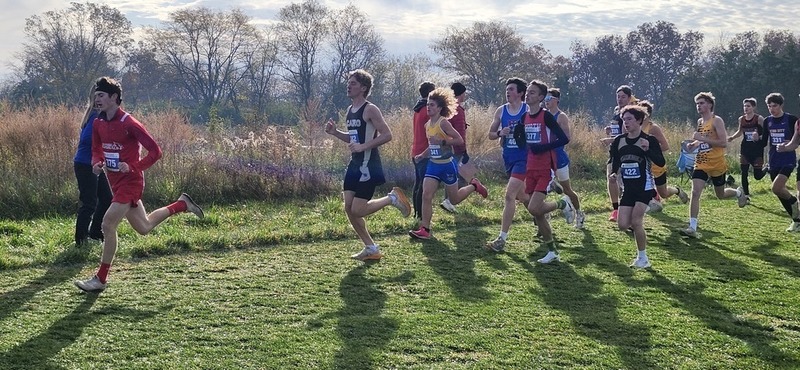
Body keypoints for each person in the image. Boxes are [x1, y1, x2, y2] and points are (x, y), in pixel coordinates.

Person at [74, 77, 205, 293]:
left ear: (114, 97)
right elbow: (97, 149)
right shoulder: (98, 123)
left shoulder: (130, 123)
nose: (96, 99)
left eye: (101, 95)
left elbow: (156, 152)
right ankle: (182, 204)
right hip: (115, 182)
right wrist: (97, 162)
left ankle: (100, 279)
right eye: (95, 95)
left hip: (131, 182)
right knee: (144, 227)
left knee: (107, 224)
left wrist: (133, 166)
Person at [325, 69, 412, 260]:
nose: (348, 86)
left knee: (358, 210)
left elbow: (387, 135)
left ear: (364, 88)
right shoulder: (350, 110)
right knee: (349, 208)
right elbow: (354, 138)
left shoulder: (370, 109)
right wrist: (335, 133)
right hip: (354, 164)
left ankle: (392, 198)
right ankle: (371, 249)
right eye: (348, 82)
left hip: (368, 164)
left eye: (353, 83)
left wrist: (363, 146)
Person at [409, 87, 488, 240]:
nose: (428, 107)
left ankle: (474, 185)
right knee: (426, 195)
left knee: (454, 199)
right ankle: (425, 229)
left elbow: (459, 140)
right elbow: (432, 145)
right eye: (428, 104)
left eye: (432, 105)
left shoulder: (443, 123)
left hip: (447, 165)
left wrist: (443, 141)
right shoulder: (427, 125)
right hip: (433, 165)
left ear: (439, 108)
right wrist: (422, 155)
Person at [680, 92, 746, 238]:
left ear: (710, 104)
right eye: (697, 104)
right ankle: (692, 227)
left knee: (720, 195)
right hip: (701, 162)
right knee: (695, 192)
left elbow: (723, 143)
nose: (698, 106)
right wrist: (693, 144)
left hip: (717, 163)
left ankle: (738, 193)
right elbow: (702, 139)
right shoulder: (700, 122)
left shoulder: (717, 120)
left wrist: (701, 139)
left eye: (701, 103)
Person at [522, 80, 574, 264]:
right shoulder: (524, 116)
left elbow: (563, 139)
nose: (528, 95)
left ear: (541, 97)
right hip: (530, 167)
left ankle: (562, 203)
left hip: (545, 167)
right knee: (537, 213)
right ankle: (552, 251)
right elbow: (523, 139)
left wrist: (543, 147)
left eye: (532, 92)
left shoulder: (546, 116)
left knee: (533, 208)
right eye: (527, 92)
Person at [609, 105, 665, 268]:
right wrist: (614, 173)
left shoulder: (649, 140)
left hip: (644, 187)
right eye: (624, 119)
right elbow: (616, 160)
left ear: (639, 120)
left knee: (636, 221)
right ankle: (650, 206)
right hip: (628, 189)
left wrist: (647, 150)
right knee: (622, 225)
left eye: (629, 119)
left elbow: (661, 162)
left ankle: (643, 258)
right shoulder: (619, 140)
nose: (626, 122)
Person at [484, 78, 530, 252]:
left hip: (524, 158)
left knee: (509, 195)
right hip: (508, 158)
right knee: (523, 196)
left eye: (511, 89)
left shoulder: (527, 109)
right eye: (507, 89)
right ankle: (544, 213)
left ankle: (501, 239)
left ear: (520, 93)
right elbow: (490, 134)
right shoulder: (501, 110)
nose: (508, 92)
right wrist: (500, 132)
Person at [73, 84, 112, 246]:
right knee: (89, 203)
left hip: (94, 164)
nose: (100, 99)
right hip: (85, 164)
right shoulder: (96, 116)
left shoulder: (98, 115)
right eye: (98, 95)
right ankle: (80, 241)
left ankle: (95, 233)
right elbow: (87, 139)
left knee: (107, 198)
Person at [756, 93, 800, 231]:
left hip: (788, 160)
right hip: (773, 160)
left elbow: (797, 140)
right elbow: (764, 142)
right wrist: (757, 139)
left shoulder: (791, 119)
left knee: (776, 187)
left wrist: (789, 143)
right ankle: (796, 220)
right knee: (779, 192)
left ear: (781, 105)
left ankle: (794, 202)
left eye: (774, 106)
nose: (771, 109)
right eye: (769, 106)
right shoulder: (767, 121)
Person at [544, 87, 585, 228]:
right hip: (545, 157)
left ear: (556, 100)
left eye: (549, 98)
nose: (546, 101)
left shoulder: (561, 116)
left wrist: (550, 144)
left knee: (567, 189)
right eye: (545, 98)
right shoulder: (543, 115)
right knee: (542, 189)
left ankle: (579, 212)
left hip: (558, 157)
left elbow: (567, 137)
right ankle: (544, 219)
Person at [637, 100, 689, 209]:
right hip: (643, 165)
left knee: (664, 193)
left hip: (656, 165)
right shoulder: (635, 127)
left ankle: (677, 190)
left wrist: (649, 150)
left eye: (641, 112)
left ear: (647, 114)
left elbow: (665, 146)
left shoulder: (653, 128)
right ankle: (648, 204)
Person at [600, 85, 636, 222]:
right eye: (618, 96)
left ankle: (630, 209)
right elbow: (617, 130)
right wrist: (610, 130)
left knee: (626, 182)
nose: (620, 99)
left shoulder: (631, 113)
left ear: (629, 97)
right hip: (614, 151)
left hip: (627, 151)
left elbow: (628, 134)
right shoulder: (616, 111)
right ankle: (615, 209)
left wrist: (610, 139)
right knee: (611, 178)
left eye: (623, 97)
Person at [440, 82, 476, 213]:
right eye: (464, 94)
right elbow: (460, 132)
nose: (465, 96)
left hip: (445, 147)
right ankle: (450, 200)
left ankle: (447, 201)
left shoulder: (445, 109)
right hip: (456, 148)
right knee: (462, 177)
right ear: (460, 94)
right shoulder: (458, 110)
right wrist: (463, 149)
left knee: (450, 176)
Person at [727, 97, 767, 204]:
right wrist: (732, 137)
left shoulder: (759, 119)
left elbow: (766, 132)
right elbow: (740, 131)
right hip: (745, 148)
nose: (746, 108)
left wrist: (759, 136)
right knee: (744, 172)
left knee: (757, 176)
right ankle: (746, 196)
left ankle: (767, 168)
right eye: (744, 106)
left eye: (748, 106)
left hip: (757, 149)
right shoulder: (741, 119)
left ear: (753, 107)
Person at [412, 82, 435, 219]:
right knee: (423, 186)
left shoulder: (417, 108)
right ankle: (421, 215)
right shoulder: (427, 111)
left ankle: (417, 213)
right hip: (424, 152)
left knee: (418, 183)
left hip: (415, 150)